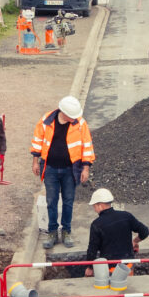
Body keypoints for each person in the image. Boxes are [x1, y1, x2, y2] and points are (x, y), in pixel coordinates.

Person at [29, 95, 94, 250]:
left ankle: (66, 231)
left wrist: (85, 168)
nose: (74, 118)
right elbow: (37, 141)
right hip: (50, 168)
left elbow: (87, 146)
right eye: (72, 116)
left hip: (70, 170)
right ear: (63, 113)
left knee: (68, 201)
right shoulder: (46, 121)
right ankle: (52, 232)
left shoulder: (80, 124)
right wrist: (35, 161)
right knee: (51, 201)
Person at [83, 188, 149, 291]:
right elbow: (145, 231)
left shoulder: (97, 224)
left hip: (109, 269)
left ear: (100, 205)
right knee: (126, 291)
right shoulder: (126, 216)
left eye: (94, 206)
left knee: (111, 294)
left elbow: (92, 249)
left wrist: (89, 268)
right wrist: (135, 241)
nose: (94, 209)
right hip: (127, 266)